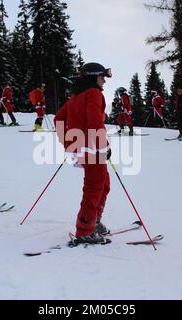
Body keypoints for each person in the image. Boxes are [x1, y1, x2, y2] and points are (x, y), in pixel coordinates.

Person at [54, 62, 112, 246]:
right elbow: (95, 122)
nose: (104, 82)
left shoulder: (76, 97)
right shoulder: (93, 93)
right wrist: (104, 147)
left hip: (85, 147)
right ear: (93, 77)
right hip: (92, 149)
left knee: (103, 184)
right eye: (102, 77)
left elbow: (59, 119)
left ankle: (93, 221)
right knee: (94, 188)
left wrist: (70, 143)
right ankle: (85, 230)